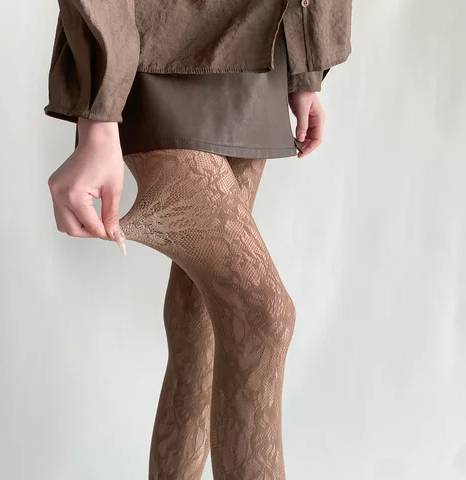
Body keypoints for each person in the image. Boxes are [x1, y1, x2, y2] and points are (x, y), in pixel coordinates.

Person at [44, 0, 353, 478]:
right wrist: (99, 116)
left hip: (257, 50)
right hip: (148, 47)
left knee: (203, 322)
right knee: (262, 317)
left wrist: (305, 63)